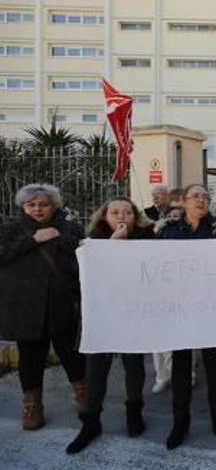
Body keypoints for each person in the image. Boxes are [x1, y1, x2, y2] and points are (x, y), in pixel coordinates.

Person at [66, 197, 155, 454]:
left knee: (134, 367)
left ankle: (134, 413)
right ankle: (90, 422)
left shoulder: (148, 241)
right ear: (105, 217)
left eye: (127, 212)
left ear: (135, 217)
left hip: (134, 316)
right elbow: (76, 276)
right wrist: (107, 249)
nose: (121, 217)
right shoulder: (90, 242)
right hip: (101, 316)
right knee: (95, 371)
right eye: (115, 212)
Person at [0, 184, 86, 431]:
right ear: (23, 206)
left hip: (62, 304)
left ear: (54, 205)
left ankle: (83, 394)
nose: (37, 209)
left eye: (43, 204)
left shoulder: (70, 228)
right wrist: (33, 240)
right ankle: (32, 405)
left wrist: (59, 237)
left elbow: (83, 253)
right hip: (25, 306)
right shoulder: (10, 231)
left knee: (71, 353)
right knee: (30, 358)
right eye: (31, 205)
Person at [158, 183, 216, 450]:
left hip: (210, 306)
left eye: (205, 196)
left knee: (214, 366)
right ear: (183, 201)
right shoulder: (168, 230)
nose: (201, 200)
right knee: (180, 366)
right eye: (196, 196)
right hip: (179, 308)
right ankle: (180, 422)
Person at [150, 189, 186, 394]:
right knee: (159, 339)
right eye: (171, 215)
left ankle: (185, 375)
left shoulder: (190, 235)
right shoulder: (157, 233)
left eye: (178, 215)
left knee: (182, 338)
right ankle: (161, 376)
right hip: (160, 291)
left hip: (182, 292)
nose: (174, 218)